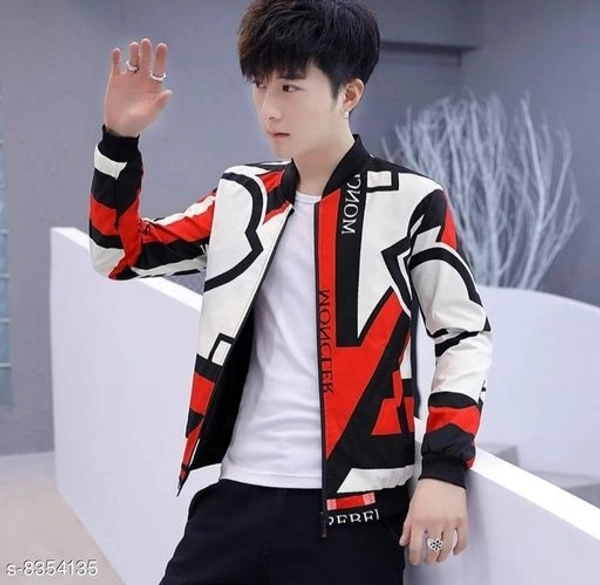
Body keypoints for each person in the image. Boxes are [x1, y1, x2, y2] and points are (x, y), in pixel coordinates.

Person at [89, 1, 493, 583]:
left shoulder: (411, 201)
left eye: (290, 86)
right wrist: (119, 141)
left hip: (357, 513)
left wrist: (445, 468)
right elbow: (119, 255)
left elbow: (464, 335)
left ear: (348, 94)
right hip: (237, 494)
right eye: (260, 85)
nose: (269, 108)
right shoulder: (242, 196)